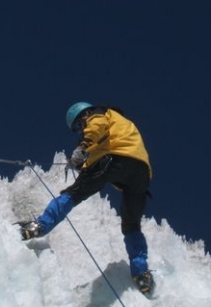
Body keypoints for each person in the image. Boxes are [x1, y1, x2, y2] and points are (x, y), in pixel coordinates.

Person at [19, 102, 155, 295]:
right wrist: (84, 163)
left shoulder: (99, 113)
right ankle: (142, 273)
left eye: (78, 126)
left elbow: (96, 128)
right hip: (140, 172)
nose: (80, 129)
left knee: (73, 193)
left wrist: (83, 148)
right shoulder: (122, 122)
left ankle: (40, 225)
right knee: (131, 225)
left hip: (114, 159)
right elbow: (107, 141)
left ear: (84, 115)